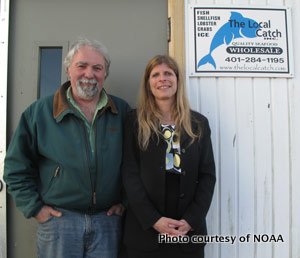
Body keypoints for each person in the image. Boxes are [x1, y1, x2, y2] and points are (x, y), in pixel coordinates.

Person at [4, 38, 130, 258]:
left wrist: (126, 203)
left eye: (97, 68)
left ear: (105, 74)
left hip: (108, 223)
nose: (89, 74)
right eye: (81, 66)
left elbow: (136, 164)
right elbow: (16, 168)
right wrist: (36, 209)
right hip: (59, 223)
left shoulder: (121, 111)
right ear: (68, 70)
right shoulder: (40, 112)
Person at [122, 55, 216, 258]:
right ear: (148, 84)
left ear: (177, 80)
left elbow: (208, 175)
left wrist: (192, 219)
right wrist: (153, 219)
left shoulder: (198, 123)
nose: (162, 79)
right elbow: (129, 174)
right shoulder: (133, 122)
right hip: (145, 231)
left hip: (187, 233)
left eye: (168, 73)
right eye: (155, 75)